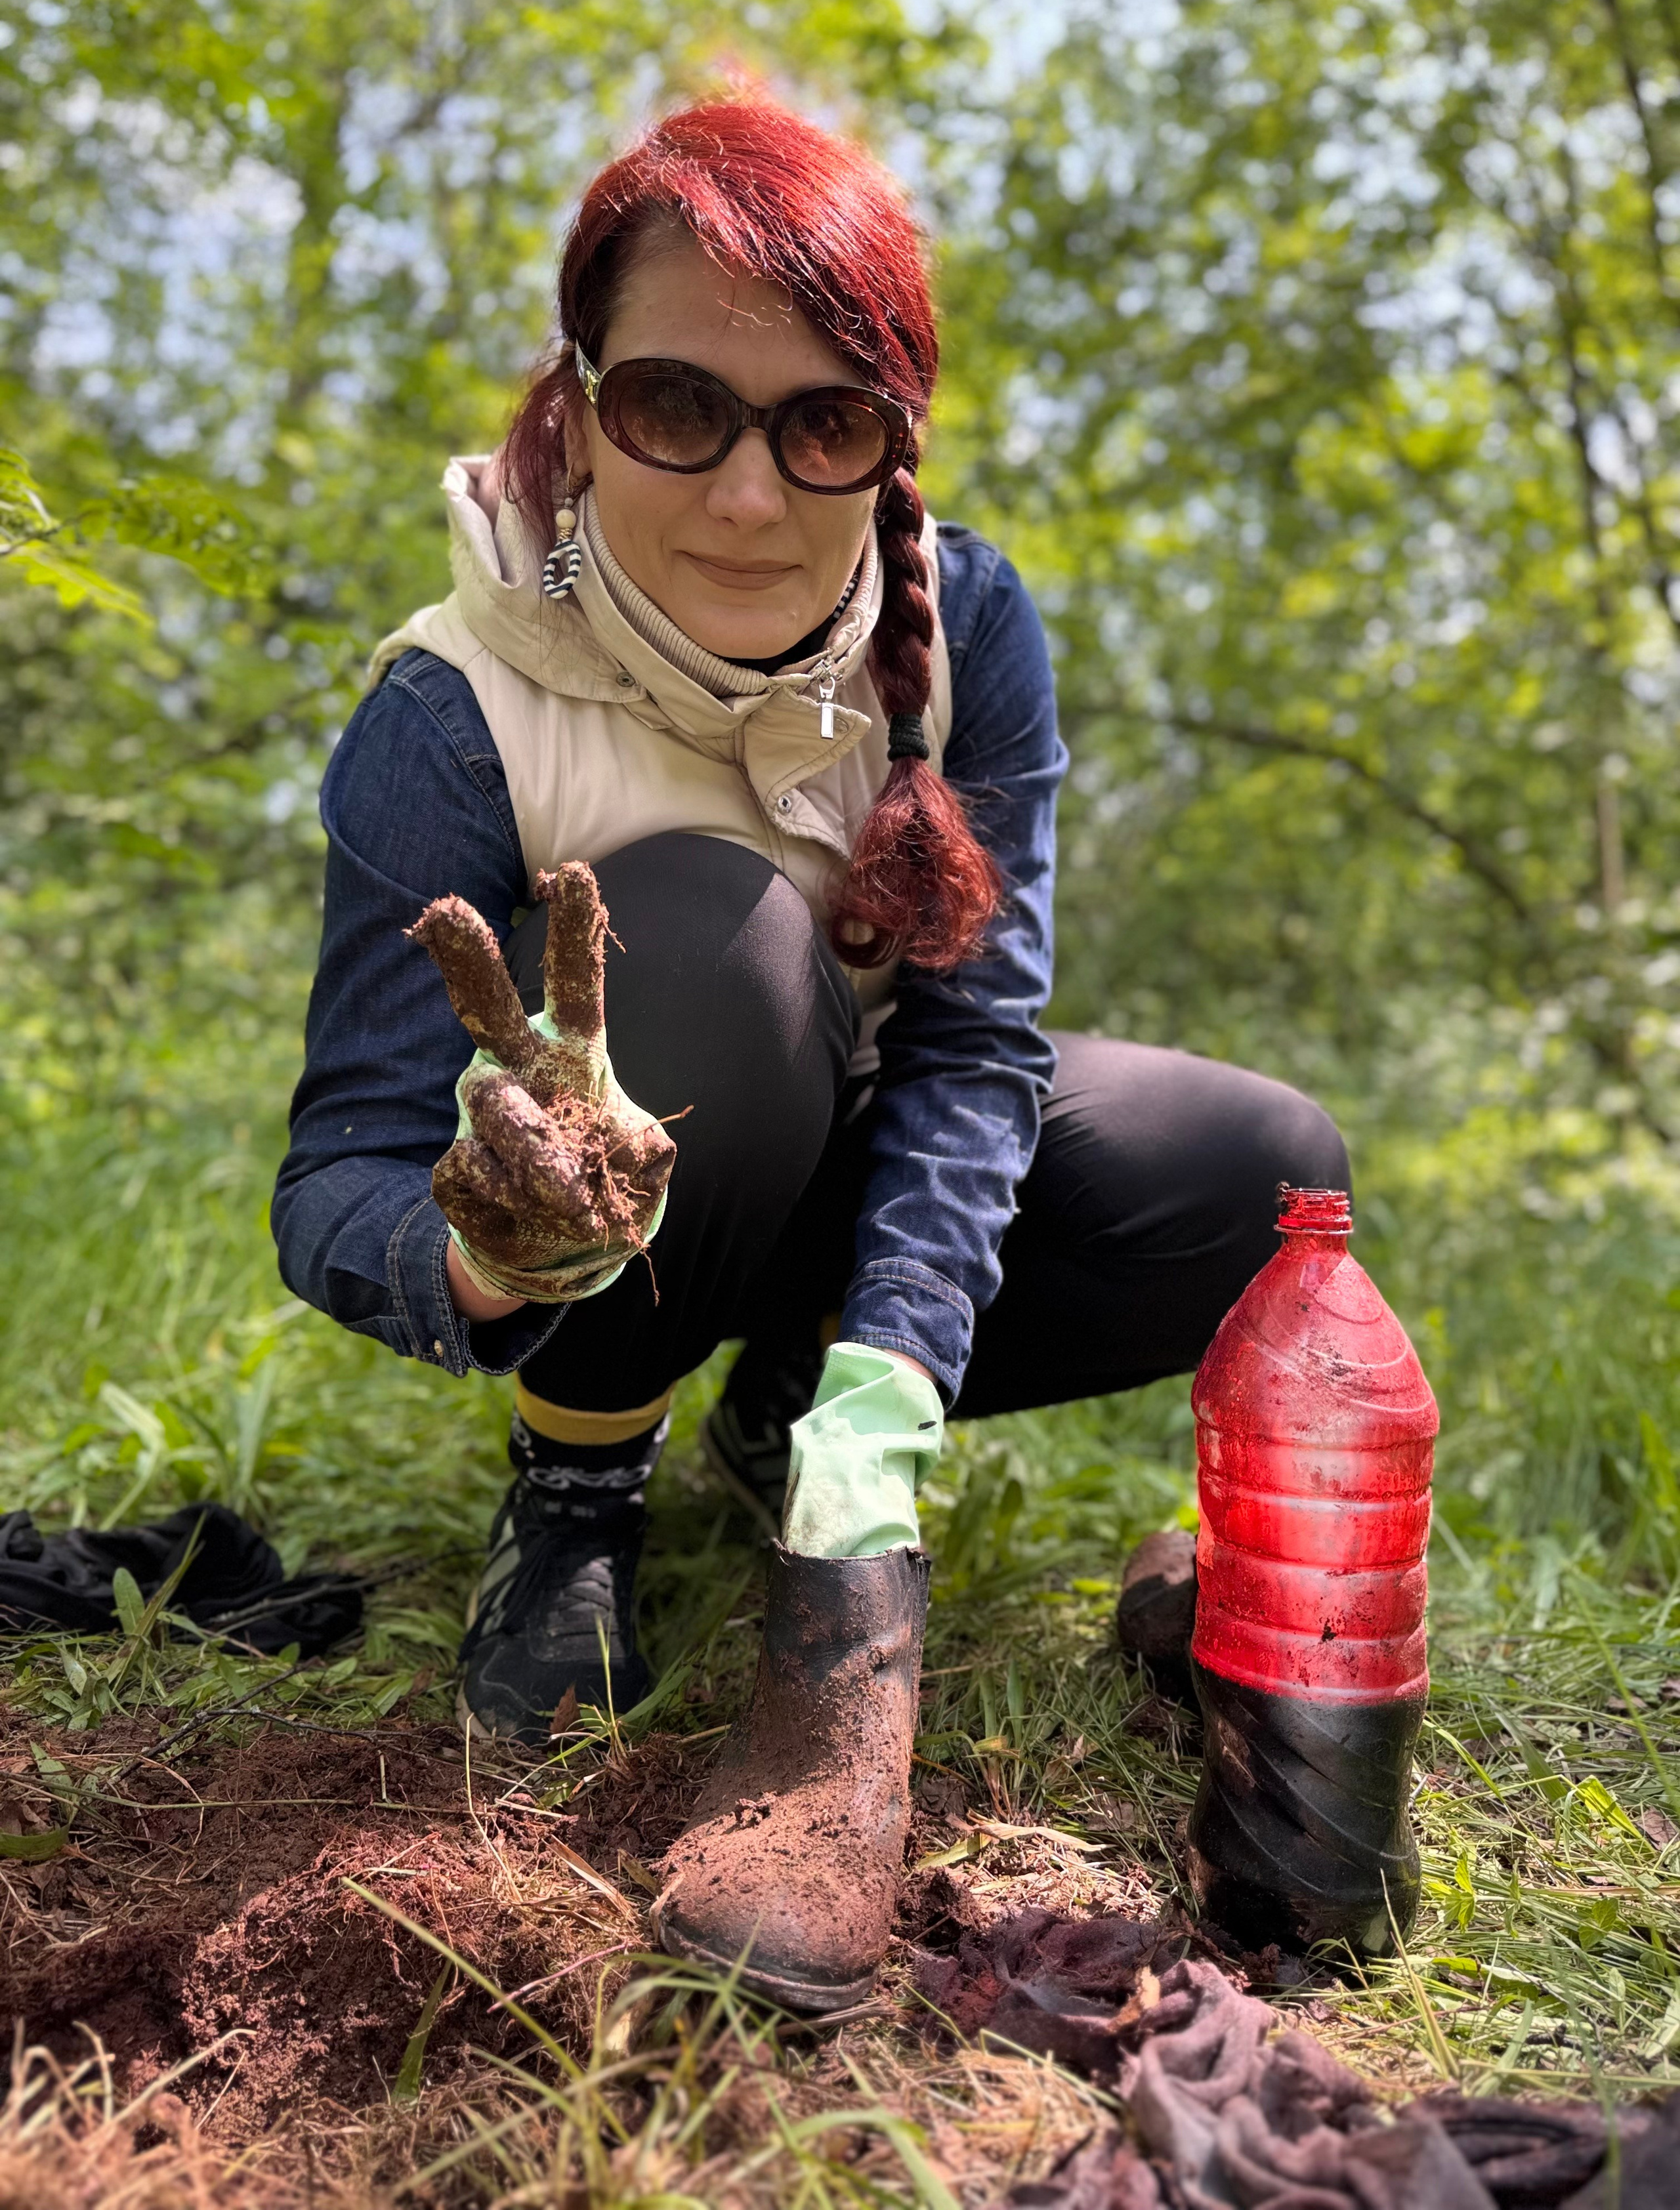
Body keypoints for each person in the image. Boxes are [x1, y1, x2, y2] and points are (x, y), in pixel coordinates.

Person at [273, 98, 1349, 2012]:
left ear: (890, 443)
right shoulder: (448, 712)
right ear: (580, 402)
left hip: (838, 1169)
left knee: (1266, 1177)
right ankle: (581, 1487)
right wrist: (485, 1247)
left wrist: (881, 1427)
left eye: (822, 425)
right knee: (705, 934)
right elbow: (334, 1173)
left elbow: (974, 1054)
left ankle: (789, 1417)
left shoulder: (972, 629)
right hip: (634, 1189)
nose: (749, 496)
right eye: (678, 407)